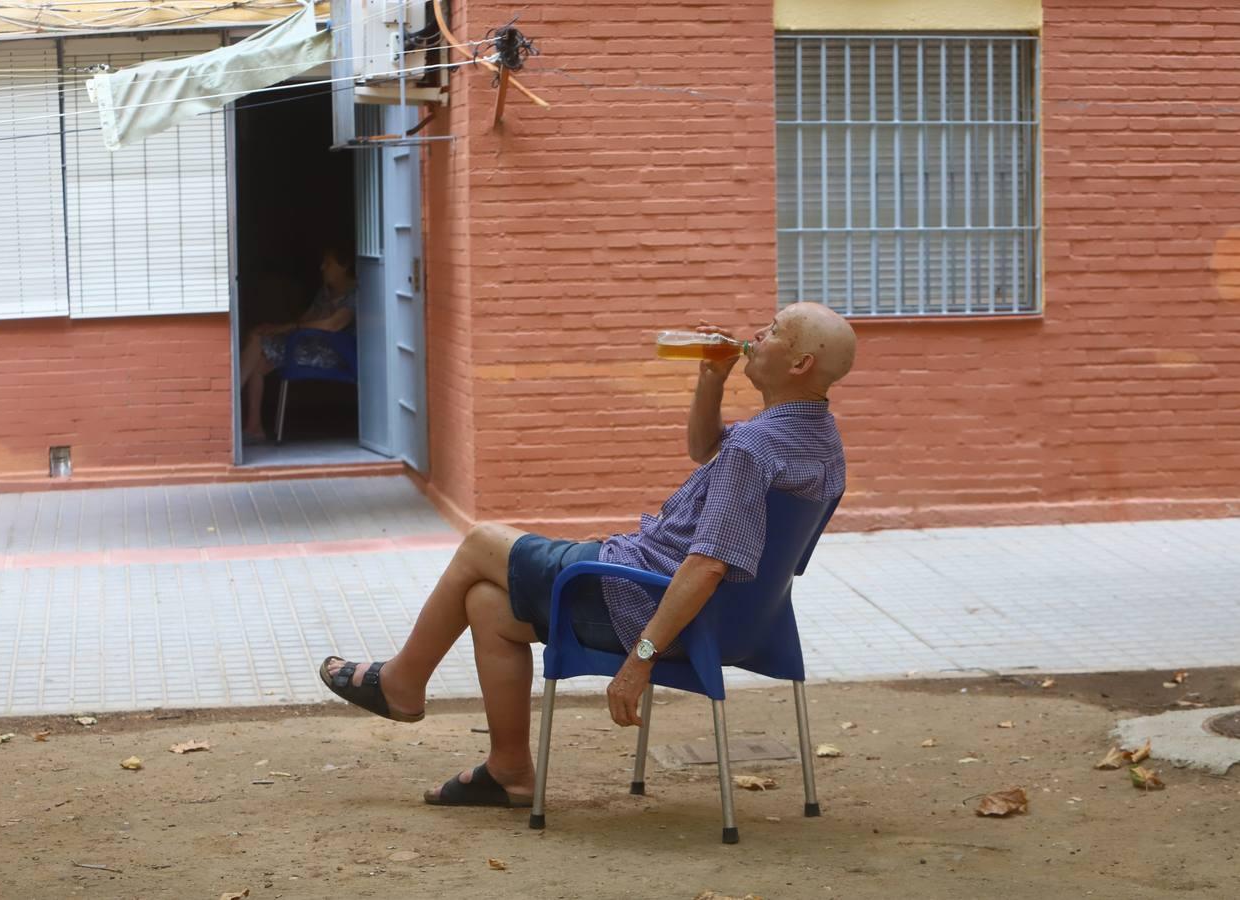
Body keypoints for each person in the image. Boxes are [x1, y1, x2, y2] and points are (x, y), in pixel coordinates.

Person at [318, 302, 858, 808]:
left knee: (481, 540)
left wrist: (639, 661)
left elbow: (708, 563)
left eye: (773, 331)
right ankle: (510, 773)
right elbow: (703, 449)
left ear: (799, 362)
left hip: (636, 595)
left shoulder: (755, 449)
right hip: (735, 621)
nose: (757, 335)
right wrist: (710, 380)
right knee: (486, 604)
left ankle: (402, 683)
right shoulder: (815, 438)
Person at [239, 249, 359, 443]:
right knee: (259, 360)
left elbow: (332, 325)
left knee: (256, 340)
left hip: (335, 352)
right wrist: (276, 329)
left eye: (328, 263)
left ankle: (229, 398)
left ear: (344, 266)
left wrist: (289, 327)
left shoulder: (355, 293)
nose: (322, 268)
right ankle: (254, 427)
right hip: (308, 345)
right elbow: (304, 320)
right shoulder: (325, 292)